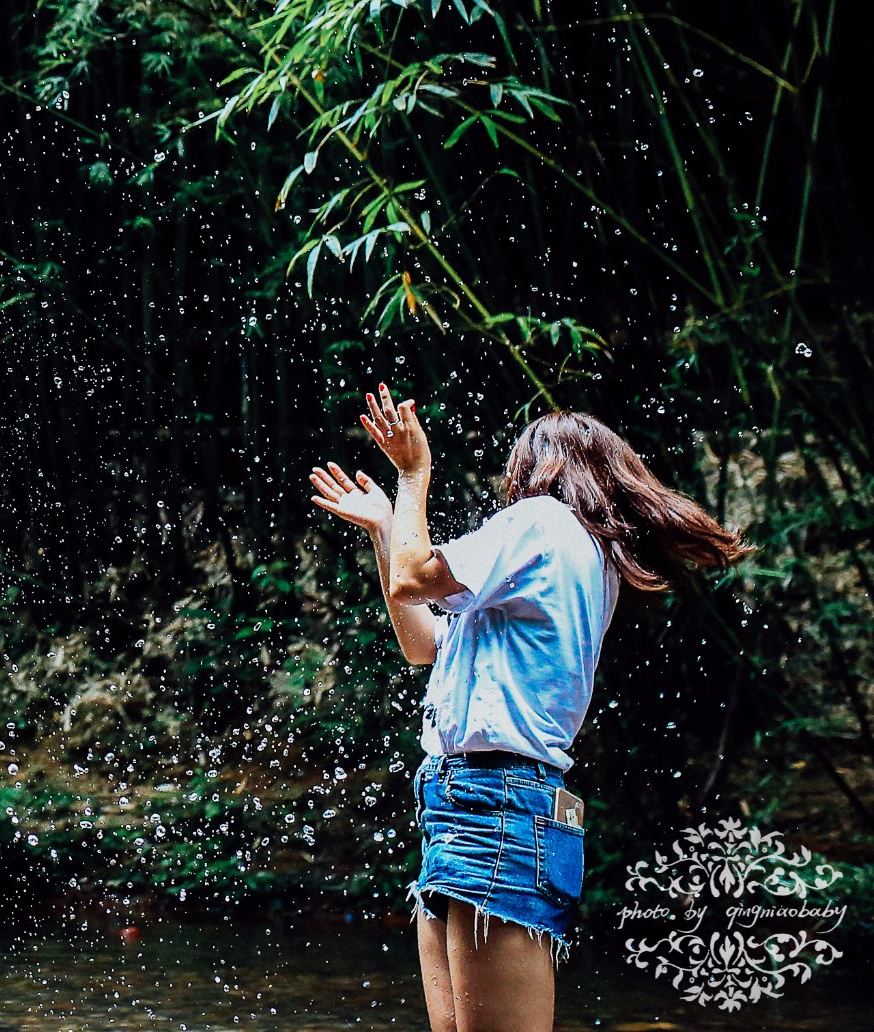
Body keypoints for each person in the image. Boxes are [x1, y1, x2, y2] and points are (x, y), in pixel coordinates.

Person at [308, 385, 747, 1032]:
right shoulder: (572, 561)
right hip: (473, 801)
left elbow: (414, 575)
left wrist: (412, 474)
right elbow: (422, 643)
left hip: (498, 799)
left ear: (540, 468)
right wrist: (383, 528)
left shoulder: (540, 524)